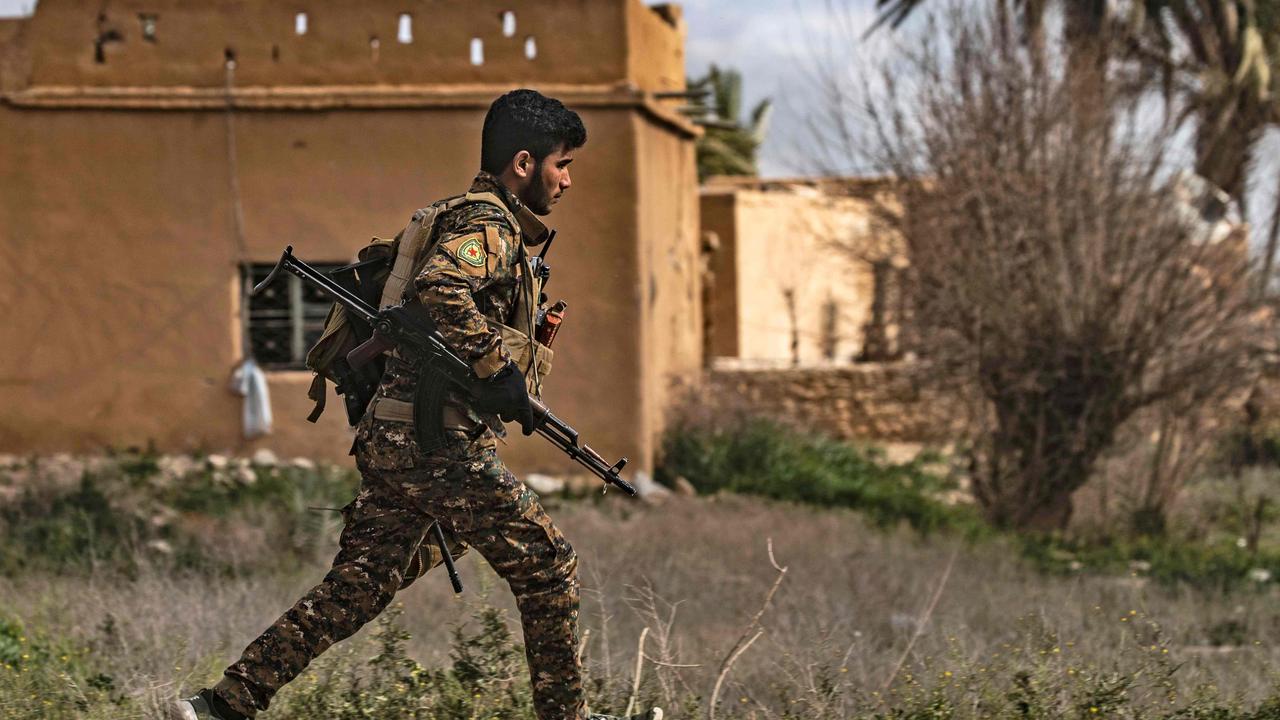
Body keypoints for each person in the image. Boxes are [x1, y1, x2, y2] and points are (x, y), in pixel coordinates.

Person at [176, 89, 661, 720]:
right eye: (561, 164)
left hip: (399, 435)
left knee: (360, 587)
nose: (566, 180)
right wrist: (498, 369)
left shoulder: (463, 217)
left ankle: (221, 706)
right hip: (435, 443)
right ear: (523, 163)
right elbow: (440, 288)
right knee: (547, 564)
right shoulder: (488, 225)